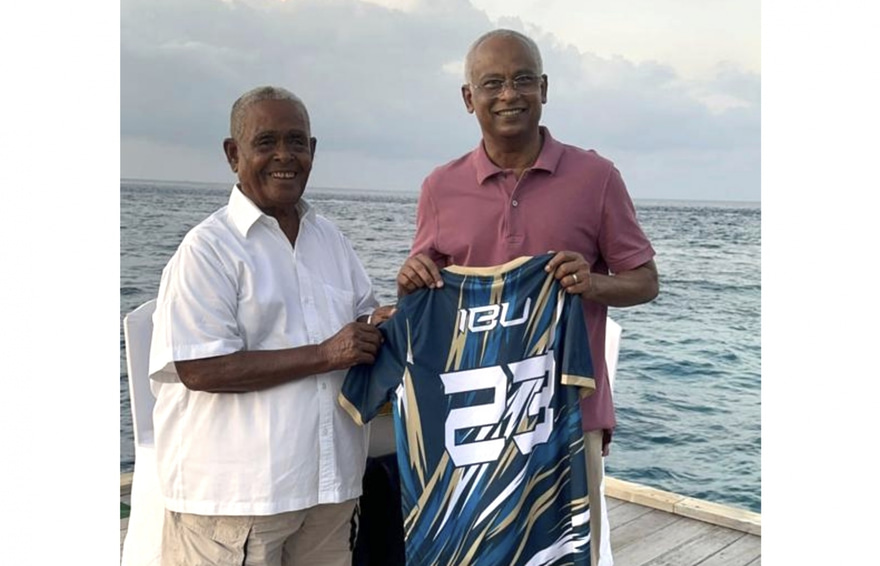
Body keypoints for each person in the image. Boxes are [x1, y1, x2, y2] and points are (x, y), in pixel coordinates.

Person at [395, 29, 659, 566]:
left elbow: (645, 280)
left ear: (544, 88)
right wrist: (410, 280)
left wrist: (593, 283)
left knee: (566, 554)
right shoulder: (439, 188)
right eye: (492, 83)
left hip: (569, 415)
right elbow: (424, 295)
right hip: (472, 421)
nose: (509, 95)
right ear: (469, 98)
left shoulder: (596, 178)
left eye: (522, 80)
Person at [148, 85, 394, 566]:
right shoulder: (208, 249)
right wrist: (326, 353)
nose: (284, 155)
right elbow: (201, 368)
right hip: (237, 502)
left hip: (329, 491)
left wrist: (382, 323)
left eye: (297, 142)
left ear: (313, 150)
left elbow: (359, 319)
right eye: (266, 142)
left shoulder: (329, 238)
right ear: (233, 154)